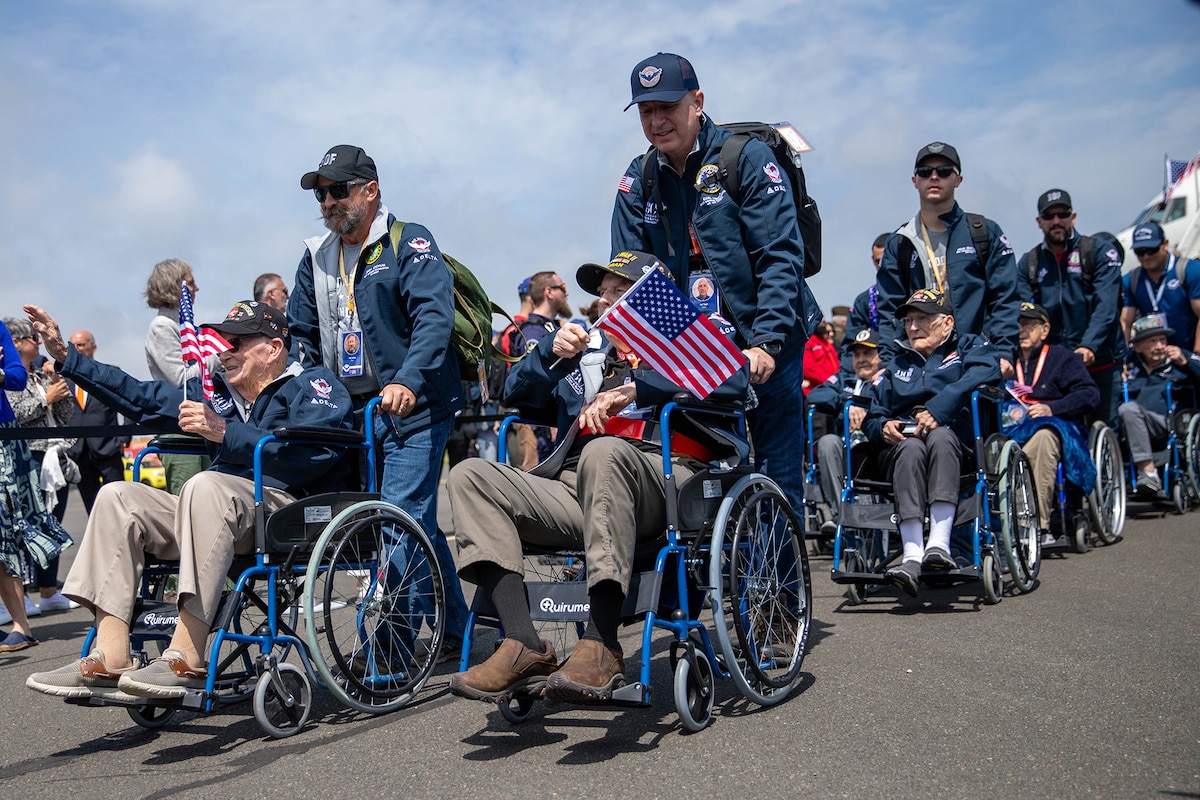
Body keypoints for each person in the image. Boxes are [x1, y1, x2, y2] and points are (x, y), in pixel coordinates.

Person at [447, 251, 749, 705]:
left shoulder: (690, 334)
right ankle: (522, 641)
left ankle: (602, 642)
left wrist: (640, 387)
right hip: (580, 483)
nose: (606, 302)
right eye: (603, 293)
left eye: (619, 291)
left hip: (665, 476)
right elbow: (515, 395)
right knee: (471, 475)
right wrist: (549, 352)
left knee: (605, 452)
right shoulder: (588, 351)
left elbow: (735, 379)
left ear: (653, 296)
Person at [24, 301, 354, 698]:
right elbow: (140, 396)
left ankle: (187, 653)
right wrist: (67, 358)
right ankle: (110, 655)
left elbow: (314, 454)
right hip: (219, 510)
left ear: (273, 348)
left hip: (288, 508)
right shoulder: (217, 393)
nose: (224, 350)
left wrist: (225, 432)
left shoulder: (313, 384)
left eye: (238, 342)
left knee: (204, 483)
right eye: (223, 341)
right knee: (116, 497)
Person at [611, 52, 819, 512]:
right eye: (647, 111)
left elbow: (780, 255)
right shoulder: (638, 178)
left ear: (697, 101)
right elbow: (626, 276)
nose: (657, 120)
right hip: (695, 351)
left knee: (775, 475)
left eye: (668, 106)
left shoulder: (744, 157)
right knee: (699, 472)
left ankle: (782, 583)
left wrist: (767, 341)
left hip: (768, 338)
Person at [287, 144, 470, 654]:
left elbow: (433, 319)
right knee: (417, 523)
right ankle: (461, 629)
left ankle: (392, 646)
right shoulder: (315, 255)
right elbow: (300, 334)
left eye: (338, 190)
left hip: (415, 406)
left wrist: (408, 380)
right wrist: (318, 393)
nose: (327, 201)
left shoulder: (408, 241)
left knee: (398, 519)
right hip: (354, 416)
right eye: (321, 193)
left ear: (370, 191)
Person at [863, 289, 1002, 596]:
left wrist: (939, 410)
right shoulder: (895, 365)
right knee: (911, 448)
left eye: (922, 319)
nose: (912, 327)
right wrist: (883, 427)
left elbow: (989, 371)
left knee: (939, 436)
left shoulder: (968, 348)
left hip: (956, 447)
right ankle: (912, 555)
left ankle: (938, 546)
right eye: (909, 320)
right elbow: (872, 418)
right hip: (902, 451)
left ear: (947, 323)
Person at [876, 142, 1019, 365]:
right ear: (915, 180)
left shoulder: (984, 233)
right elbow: (889, 311)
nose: (934, 177)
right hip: (918, 362)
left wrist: (1004, 353)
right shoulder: (900, 241)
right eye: (925, 172)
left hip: (976, 358)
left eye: (943, 171)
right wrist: (887, 363)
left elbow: (1005, 299)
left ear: (958, 179)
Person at [1017, 189, 1125, 427]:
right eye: (1049, 216)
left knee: (1104, 427)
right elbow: (1026, 313)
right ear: (1039, 222)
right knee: (1056, 428)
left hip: (1101, 360)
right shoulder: (1029, 263)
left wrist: (1089, 345)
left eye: (1062, 214)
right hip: (1055, 364)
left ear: (1073, 217)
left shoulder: (1097, 252)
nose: (1056, 221)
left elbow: (1106, 307)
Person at [0, 320, 72, 650]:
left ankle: (22, 622)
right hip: (25, 448)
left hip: (12, 448)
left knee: (7, 532)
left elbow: (14, 380)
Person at [1003, 303, 1100, 539]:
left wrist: (1052, 408)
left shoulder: (1063, 358)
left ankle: (1034, 523)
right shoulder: (1004, 360)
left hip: (1054, 425)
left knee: (1043, 439)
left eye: (1027, 324)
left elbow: (1089, 394)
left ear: (1044, 330)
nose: (1020, 329)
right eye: (1016, 324)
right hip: (1011, 427)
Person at [143, 258, 214, 493]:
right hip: (179, 428)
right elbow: (182, 379)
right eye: (191, 284)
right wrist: (220, 356)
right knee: (187, 500)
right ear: (176, 287)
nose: (197, 289)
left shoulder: (186, 325)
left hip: (198, 425)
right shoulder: (162, 327)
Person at [807, 328, 882, 534]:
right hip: (845, 448)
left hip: (876, 448)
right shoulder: (845, 381)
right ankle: (840, 513)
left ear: (880, 356)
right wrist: (847, 403)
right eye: (857, 355)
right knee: (827, 442)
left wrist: (866, 409)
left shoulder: (886, 380)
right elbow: (816, 396)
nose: (861, 359)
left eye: (867, 353)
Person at [1118, 313, 1200, 497]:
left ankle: (1148, 474)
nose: (1160, 346)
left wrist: (1186, 363)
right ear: (1137, 346)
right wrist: (1118, 378)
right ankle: (1148, 473)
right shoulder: (1128, 366)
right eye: (1153, 341)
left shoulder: (1179, 359)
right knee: (1127, 409)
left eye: (1162, 340)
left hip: (1170, 423)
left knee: (1129, 410)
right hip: (1135, 425)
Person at [65, 330, 129, 514]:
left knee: (118, 503)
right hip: (79, 452)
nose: (76, 349)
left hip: (108, 448)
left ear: (93, 347)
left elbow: (128, 405)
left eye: (81, 345)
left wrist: (123, 438)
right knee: (92, 509)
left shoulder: (110, 374)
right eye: (73, 345)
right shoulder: (63, 379)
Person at [1120, 222, 1200, 351]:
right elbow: (1125, 322)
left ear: (1165, 244)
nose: (1146, 256)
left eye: (1152, 250)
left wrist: (1196, 358)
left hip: (1189, 353)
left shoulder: (1190, 270)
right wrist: (1124, 358)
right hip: (1155, 356)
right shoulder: (1131, 280)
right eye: (1140, 252)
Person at [848, 234, 890, 335]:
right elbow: (851, 343)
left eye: (886, 260)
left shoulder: (915, 293)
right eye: (877, 261)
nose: (881, 265)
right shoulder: (864, 301)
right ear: (872, 259)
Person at [802, 321, 840, 397]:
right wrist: (830, 381)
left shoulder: (825, 342)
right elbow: (808, 369)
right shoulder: (808, 342)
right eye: (821, 321)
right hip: (816, 390)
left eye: (824, 321)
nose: (823, 324)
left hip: (832, 388)